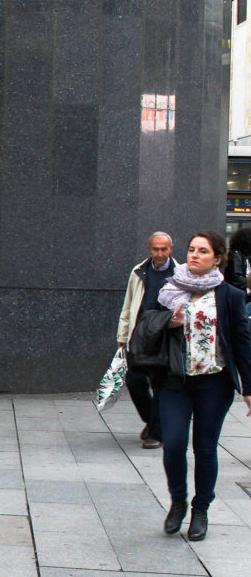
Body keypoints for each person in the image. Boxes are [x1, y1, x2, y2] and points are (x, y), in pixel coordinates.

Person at [156, 230, 251, 541]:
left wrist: (248, 388)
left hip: (215, 384)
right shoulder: (169, 288)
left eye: (203, 251)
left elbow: (242, 342)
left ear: (218, 259)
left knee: (205, 448)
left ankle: (201, 509)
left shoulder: (231, 296)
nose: (194, 255)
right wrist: (167, 321)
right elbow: (148, 322)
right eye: (192, 249)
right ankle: (179, 501)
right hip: (175, 382)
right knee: (172, 444)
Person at [115, 232, 177, 449]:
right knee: (134, 381)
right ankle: (153, 421)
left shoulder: (180, 273)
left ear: (171, 249)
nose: (160, 254)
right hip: (139, 336)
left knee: (160, 385)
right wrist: (123, 336)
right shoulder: (138, 271)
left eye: (164, 249)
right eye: (155, 249)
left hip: (165, 338)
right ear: (149, 249)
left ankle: (156, 433)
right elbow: (128, 304)